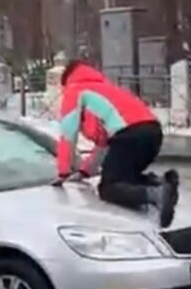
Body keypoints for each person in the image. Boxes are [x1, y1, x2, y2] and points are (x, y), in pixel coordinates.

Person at [52, 59, 179, 227]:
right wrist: (83, 172)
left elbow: (68, 134)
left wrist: (63, 173)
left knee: (109, 188)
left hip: (129, 135)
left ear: (66, 80)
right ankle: (162, 182)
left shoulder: (75, 90)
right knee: (124, 178)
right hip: (153, 133)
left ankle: (155, 194)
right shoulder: (106, 89)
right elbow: (102, 143)